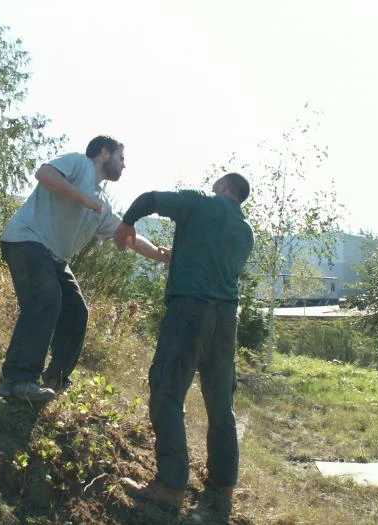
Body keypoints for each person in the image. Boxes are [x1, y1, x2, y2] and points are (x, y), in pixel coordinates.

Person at [114, 173, 254, 520]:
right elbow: (213, 261)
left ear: (224, 188)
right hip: (225, 320)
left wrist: (126, 225)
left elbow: (149, 198)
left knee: (166, 390)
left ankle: (170, 485)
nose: (212, 189)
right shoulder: (246, 231)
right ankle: (222, 485)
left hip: (190, 310)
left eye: (216, 185)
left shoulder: (200, 202)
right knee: (221, 402)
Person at [0, 135, 169, 402]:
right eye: (121, 158)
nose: (124, 166)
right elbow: (44, 174)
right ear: (103, 152)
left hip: (54, 257)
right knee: (45, 299)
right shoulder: (77, 163)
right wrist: (84, 200)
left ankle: (55, 380)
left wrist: (160, 254)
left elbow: (126, 235)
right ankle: (16, 381)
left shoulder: (102, 202)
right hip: (26, 240)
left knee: (76, 311)